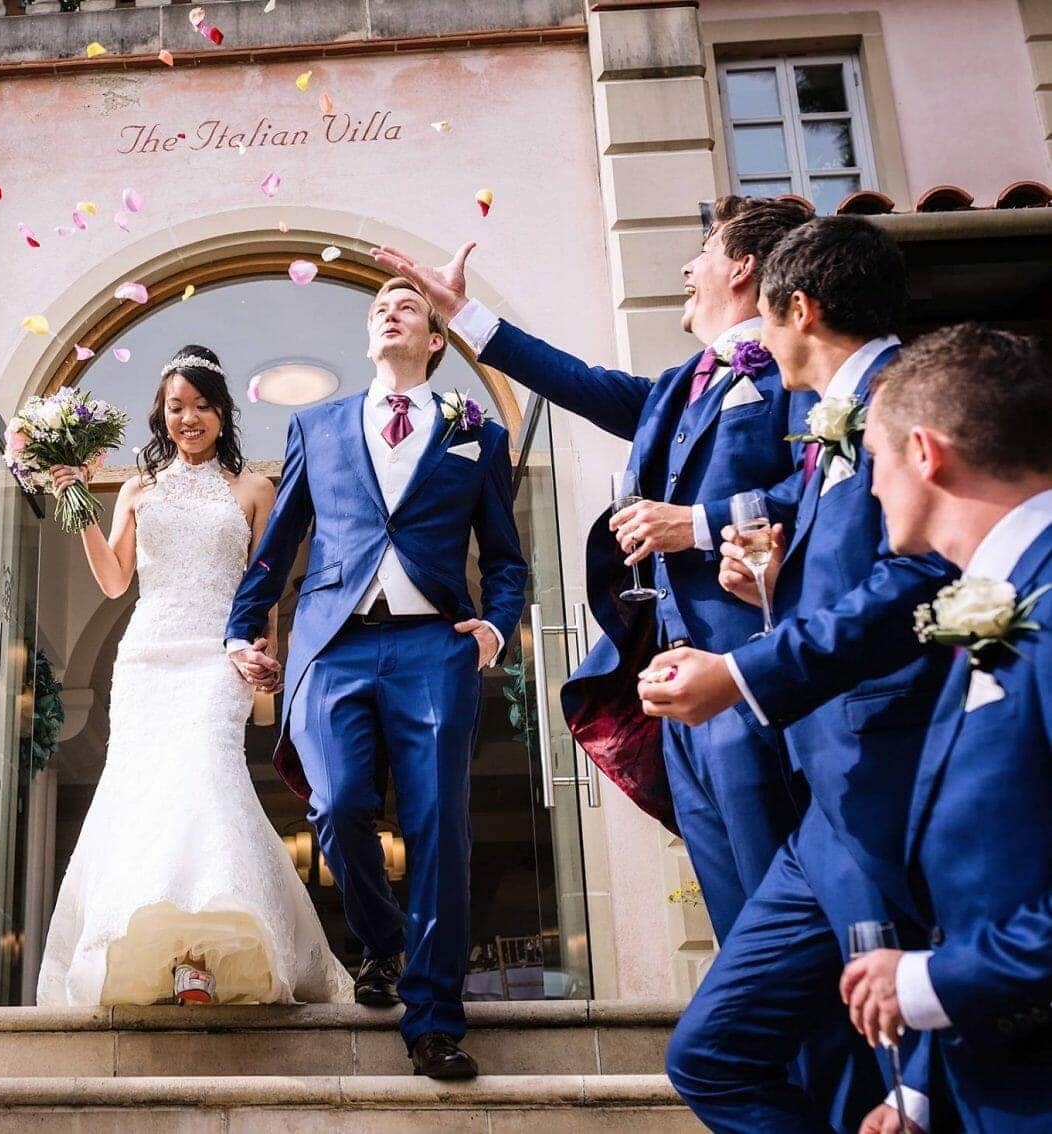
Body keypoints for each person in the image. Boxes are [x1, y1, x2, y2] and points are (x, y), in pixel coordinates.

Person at [372, 194, 815, 946]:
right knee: (740, 929)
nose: (687, 266)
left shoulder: (797, 369)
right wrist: (466, 316)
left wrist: (698, 524)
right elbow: (576, 382)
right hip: (673, 696)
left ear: (741, 269)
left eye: (704, 250)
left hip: (750, 679)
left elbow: (825, 480)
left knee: (787, 918)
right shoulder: (680, 387)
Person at [638, 217, 955, 1132]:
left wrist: (739, 671)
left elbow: (921, 576)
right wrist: (770, 582)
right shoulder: (832, 423)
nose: (756, 344)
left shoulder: (906, 398)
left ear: (799, 308)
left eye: (766, 321)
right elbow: (854, 579)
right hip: (827, 803)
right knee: (714, 1053)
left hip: (891, 783)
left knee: (904, 1077)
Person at [226, 280, 527, 1078]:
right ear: (370, 336)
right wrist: (241, 623)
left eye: (410, 309)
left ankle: (433, 1021)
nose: (392, 313)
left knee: (438, 829)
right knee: (339, 804)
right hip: (336, 644)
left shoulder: (476, 433)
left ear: (434, 341)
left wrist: (495, 626)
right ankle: (386, 941)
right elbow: (281, 535)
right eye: (380, 309)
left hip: (435, 646)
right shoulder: (317, 425)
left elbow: (504, 555)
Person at [36, 344, 352, 1008]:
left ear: (222, 412)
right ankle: (150, 949)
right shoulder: (137, 489)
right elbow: (116, 578)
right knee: (143, 795)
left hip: (216, 657)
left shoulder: (253, 490)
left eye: (201, 405)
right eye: (177, 407)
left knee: (208, 778)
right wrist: (77, 506)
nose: (189, 418)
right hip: (148, 657)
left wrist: (259, 649)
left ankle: (206, 951)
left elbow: (264, 589)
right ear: (163, 415)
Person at [840, 324, 1052, 1133]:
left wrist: (930, 985)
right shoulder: (999, 597)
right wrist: (922, 1087)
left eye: (875, 460)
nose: (866, 490)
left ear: (925, 454)